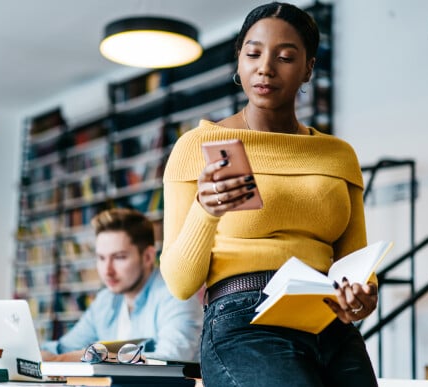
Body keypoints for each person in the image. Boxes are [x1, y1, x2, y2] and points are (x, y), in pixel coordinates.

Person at [160, 2, 379, 386]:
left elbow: (356, 265)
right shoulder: (197, 146)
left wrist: (362, 297)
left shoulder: (338, 154)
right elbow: (179, 284)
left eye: (285, 57)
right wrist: (205, 210)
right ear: (239, 60)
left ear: (308, 68)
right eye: (254, 53)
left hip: (328, 321)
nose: (266, 67)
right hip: (243, 321)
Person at [41, 207, 202, 362]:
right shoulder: (105, 300)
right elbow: (63, 348)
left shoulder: (175, 294)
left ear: (147, 257)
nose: (107, 270)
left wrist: (98, 357)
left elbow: (170, 362)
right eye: (101, 258)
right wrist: (40, 354)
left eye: (119, 257)